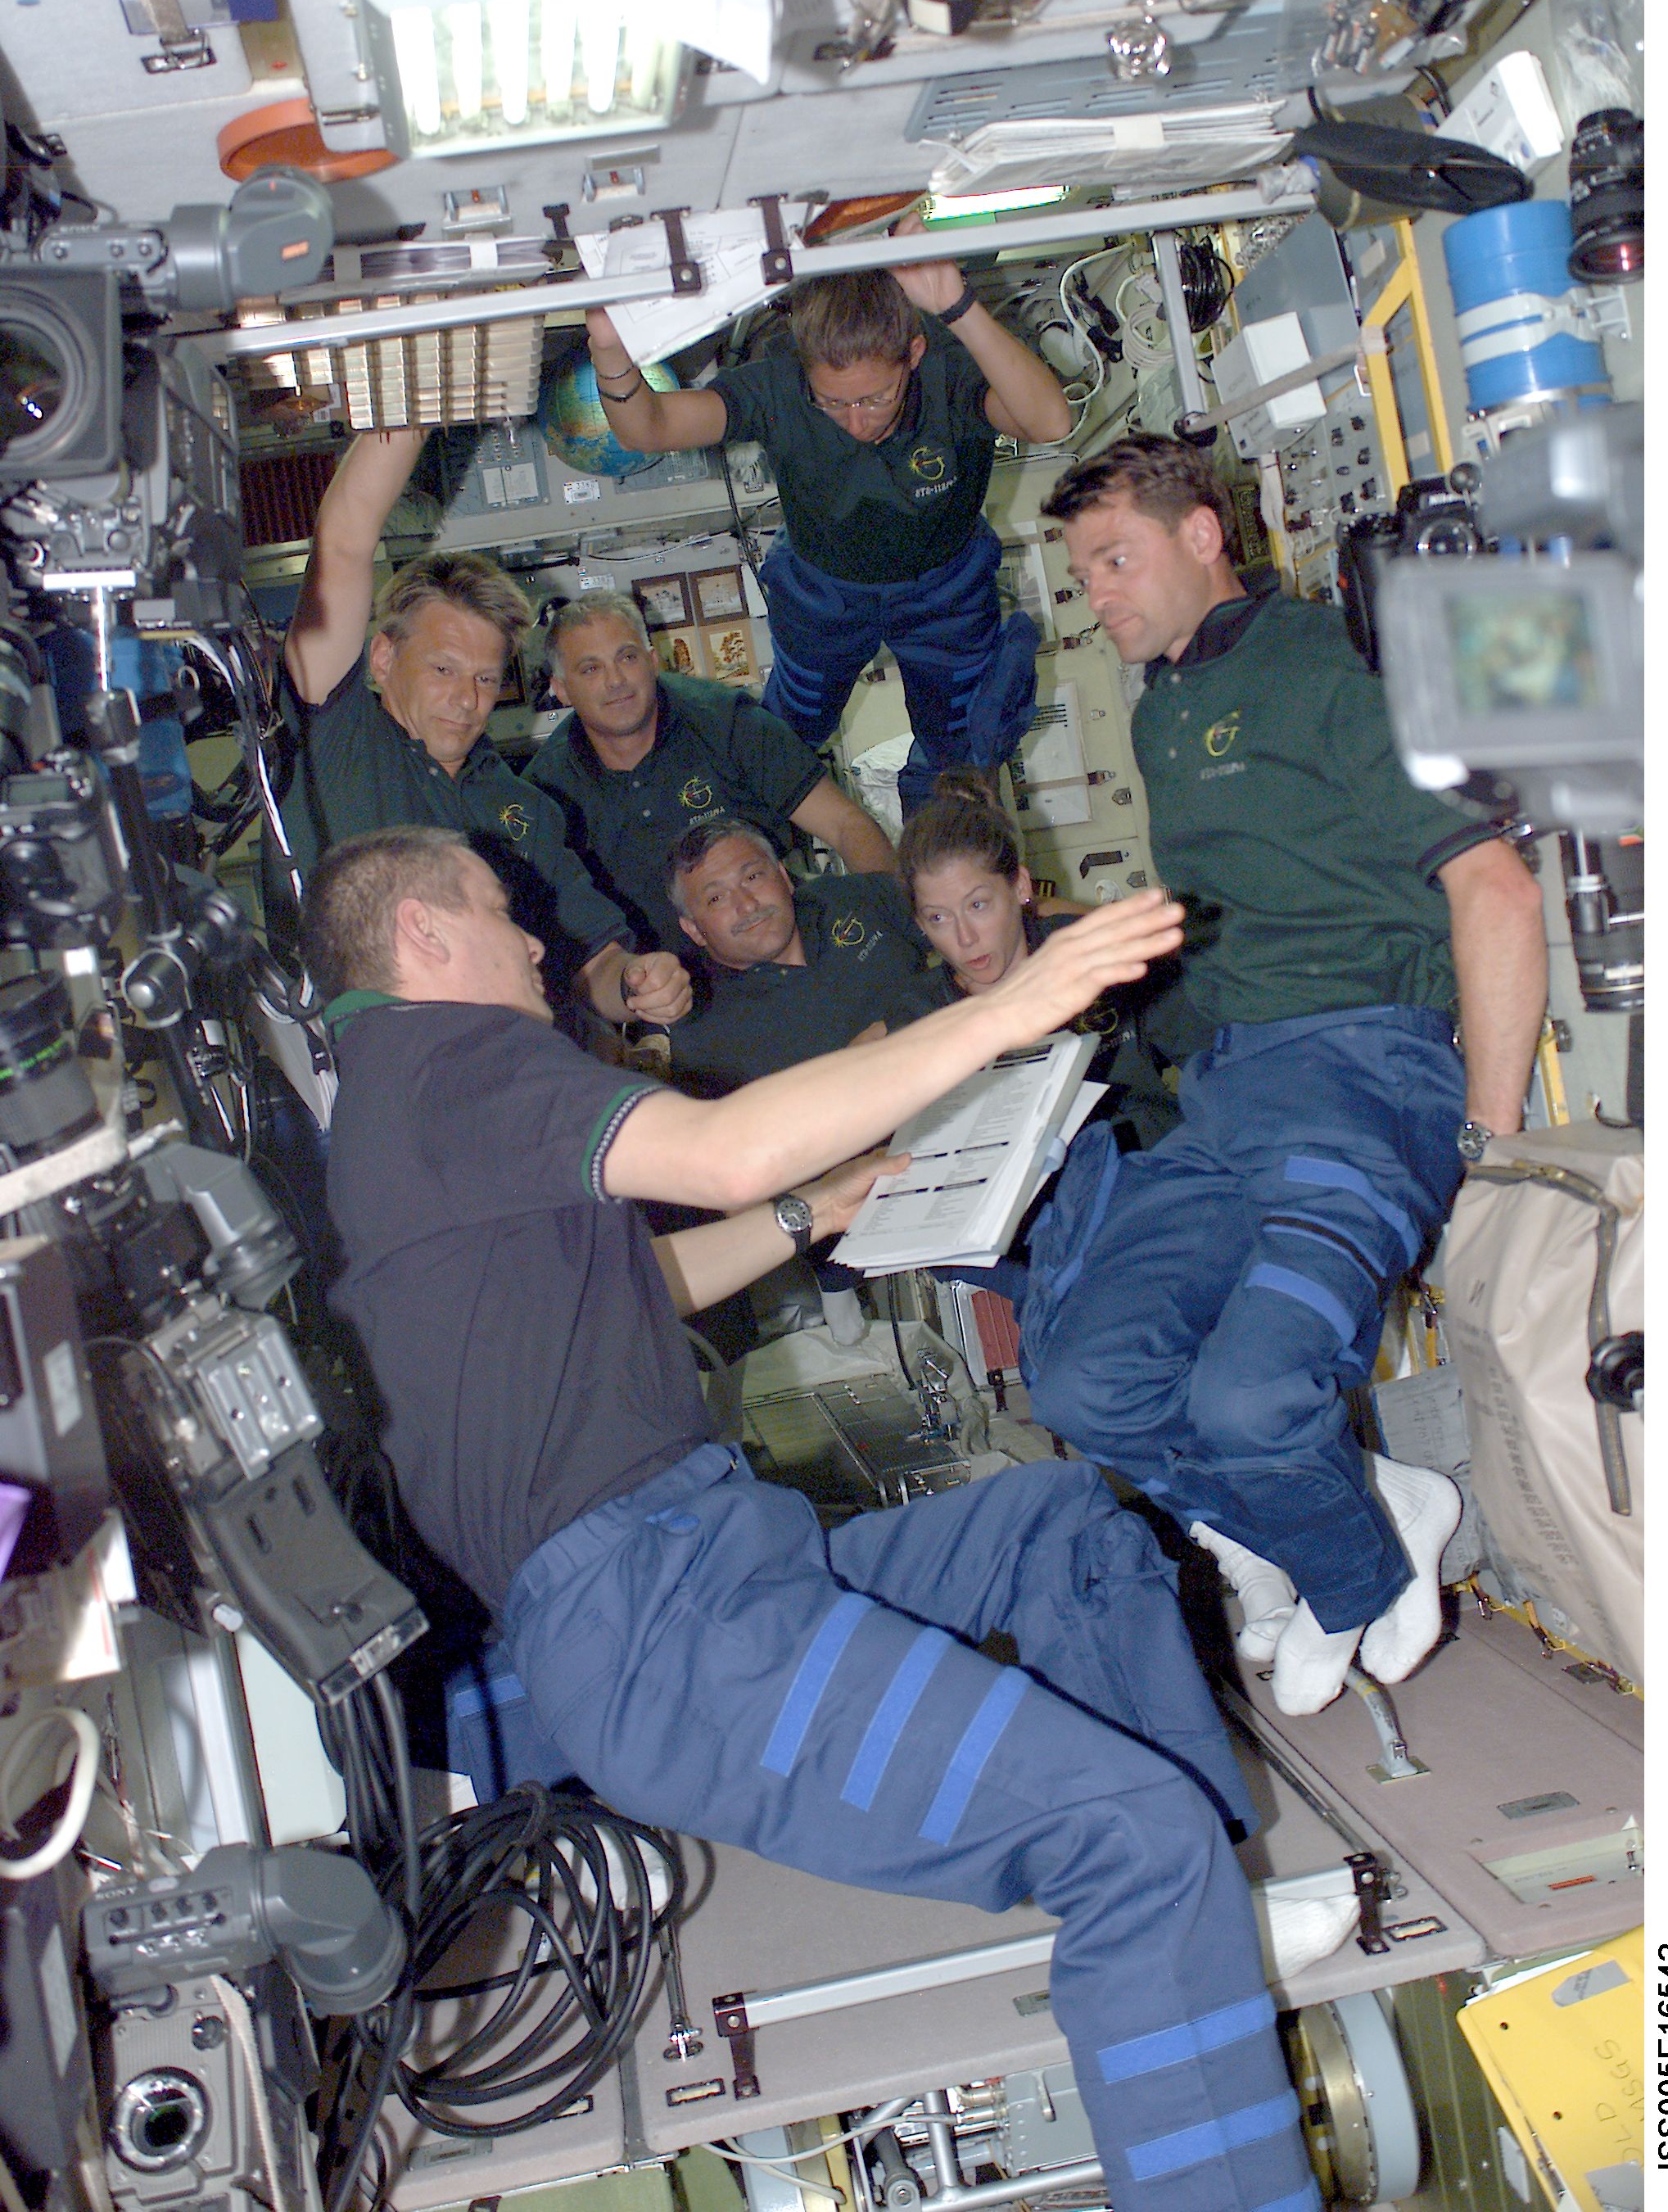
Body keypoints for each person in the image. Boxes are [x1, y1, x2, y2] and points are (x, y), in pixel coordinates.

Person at [305, 825, 1327, 2212]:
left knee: (1064, 1524)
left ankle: (1207, 1911)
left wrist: (811, 1207)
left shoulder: (401, 1101)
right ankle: (1181, 1943)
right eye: (501, 915)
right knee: (1123, 1843)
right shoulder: (448, 1057)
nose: (536, 943)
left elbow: (636, 1283)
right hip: (663, 1624)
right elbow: (718, 1149)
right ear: (424, 935)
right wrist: (1005, 1006)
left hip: (704, 1562)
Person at [1019, 432, 1550, 1717]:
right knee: (1083, 1376)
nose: (1098, 594)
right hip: (1229, 1092)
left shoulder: (1327, 672)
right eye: (1084, 574)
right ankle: (1341, 1526)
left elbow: (1491, 888)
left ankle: (1356, 1567)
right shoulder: (1164, 710)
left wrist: (1487, 1145)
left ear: (1204, 533)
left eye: (1115, 558)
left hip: (1370, 1078)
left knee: (1253, 1396)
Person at [584, 249, 1073, 810]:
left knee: (958, 761)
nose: (857, 421)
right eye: (834, 402)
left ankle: (939, 881)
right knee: (786, 736)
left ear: (913, 354)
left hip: (947, 589)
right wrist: (609, 350)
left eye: (875, 398)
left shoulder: (949, 372)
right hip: (825, 593)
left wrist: (957, 306)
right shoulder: (779, 387)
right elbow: (650, 429)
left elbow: (1051, 421)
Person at [273, 427, 690, 1028]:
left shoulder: (529, 813)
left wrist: (636, 983)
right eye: (443, 669)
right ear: (385, 659)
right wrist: (412, 402)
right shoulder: (337, 738)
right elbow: (343, 542)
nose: (466, 700)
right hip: (350, 1073)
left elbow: (593, 960)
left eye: (487, 679)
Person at [523, 590, 896, 956]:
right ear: (561, 690)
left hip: (779, 952)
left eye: (628, 657)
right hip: (659, 987)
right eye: (590, 669)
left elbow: (845, 825)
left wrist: (897, 926)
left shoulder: (727, 723)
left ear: (653, 662)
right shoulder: (545, 789)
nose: (615, 680)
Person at [897, 770, 1183, 1151]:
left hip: (1155, 1172)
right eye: (939, 918)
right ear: (919, 924)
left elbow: (1220, 1054)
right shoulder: (919, 1016)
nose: (965, 938)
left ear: (1020, 886)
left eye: (978, 905)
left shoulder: (1091, 955)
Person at [662, 823, 935, 1092]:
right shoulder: (702, 1037)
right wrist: (848, 1080)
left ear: (784, 875)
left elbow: (963, 933)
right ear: (694, 929)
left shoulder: (846, 898)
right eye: (717, 898)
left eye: (753, 877)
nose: (747, 904)